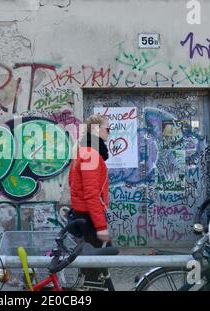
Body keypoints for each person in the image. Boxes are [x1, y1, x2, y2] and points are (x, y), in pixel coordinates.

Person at [68, 113, 115, 290]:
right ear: (96, 130)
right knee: (98, 265)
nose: (109, 133)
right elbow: (91, 195)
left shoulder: (83, 151)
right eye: (107, 129)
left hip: (84, 215)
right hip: (89, 218)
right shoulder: (90, 154)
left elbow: (73, 184)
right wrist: (101, 227)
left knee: (99, 263)